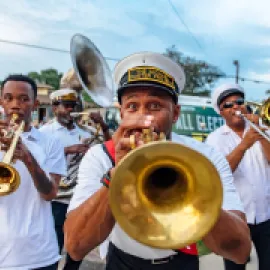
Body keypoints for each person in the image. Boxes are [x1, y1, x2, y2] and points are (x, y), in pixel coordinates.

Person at [64, 52, 251, 270]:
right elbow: (75, 247)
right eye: (132, 106)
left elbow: (239, 251)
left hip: (180, 263)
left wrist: (198, 197)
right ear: (122, 113)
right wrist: (116, 175)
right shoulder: (100, 156)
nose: (144, 119)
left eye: (155, 106)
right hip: (122, 262)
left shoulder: (205, 157)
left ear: (175, 113)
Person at [0, 74, 66, 270]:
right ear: (1, 101)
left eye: (24, 99)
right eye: (9, 98)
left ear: (35, 104)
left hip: (39, 254)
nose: (15, 105)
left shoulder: (51, 143)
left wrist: (28, 158)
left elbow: (50, 193)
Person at [39, 88, 110, 270]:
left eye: (73, 106)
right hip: (58, 197)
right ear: (54, 108)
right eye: (66, 106)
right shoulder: (45, 132)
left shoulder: (86, 132)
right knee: (54, 245)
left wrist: (102, 125)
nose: (71, 110)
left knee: (76, 248)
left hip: (79, 198)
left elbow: (110, 148)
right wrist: (67, 150)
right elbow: (37, 159)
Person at [205, 84, 270, 270]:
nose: (235, 107)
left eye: (239, 102)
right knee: (235, 266)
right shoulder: (215, 139)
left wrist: (259, 130)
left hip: (266, 215)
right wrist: (244, 145)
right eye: (228, 105)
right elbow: (218, 173)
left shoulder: (260, 129)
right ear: (221, 112)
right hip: (236, 218)